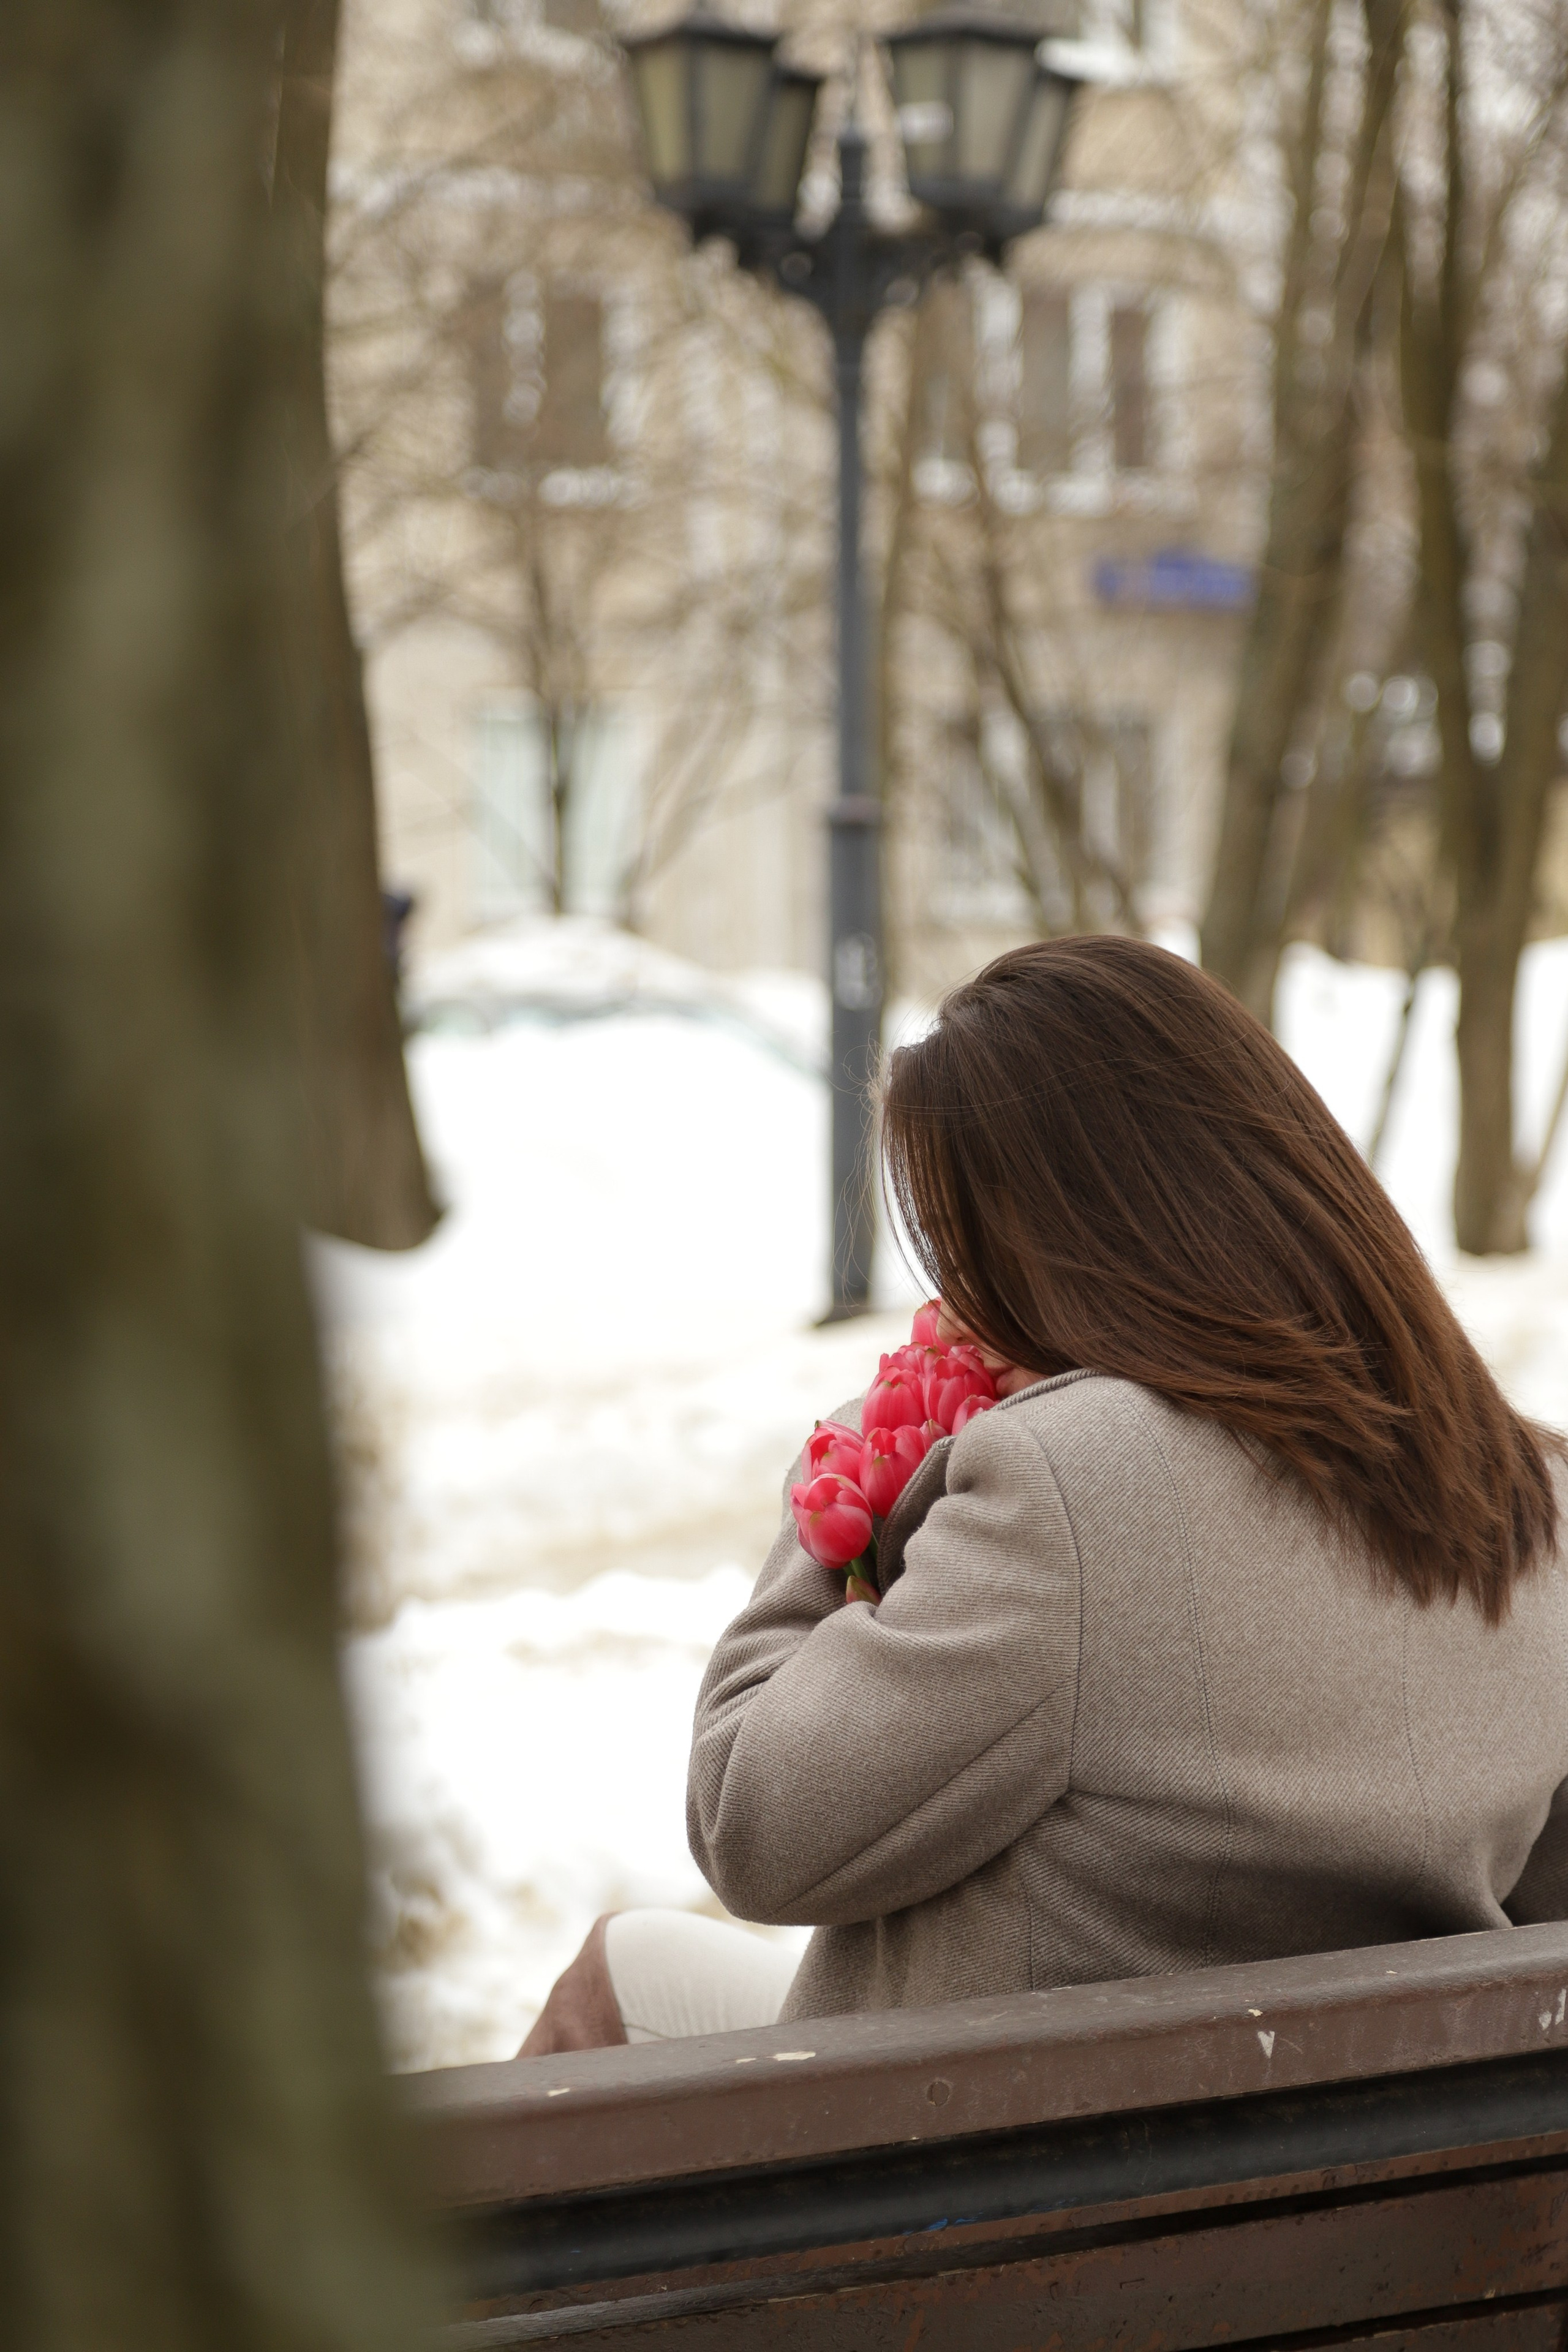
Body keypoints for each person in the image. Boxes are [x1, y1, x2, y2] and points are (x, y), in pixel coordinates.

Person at [520, 936, 1568, 2056]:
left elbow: (752, 1823)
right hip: (1352, 2178)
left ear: (1065, 1239)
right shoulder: (1535, 1496)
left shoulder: (1076, 1483)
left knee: (614, 1984)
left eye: (970, 1249)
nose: (958, 1300)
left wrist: (857, 1464)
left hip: (981, 2176)